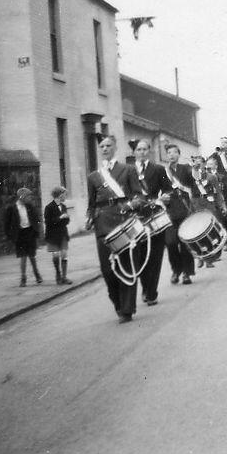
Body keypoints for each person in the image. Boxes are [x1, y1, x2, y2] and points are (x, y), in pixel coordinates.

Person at [85, 135, 144, 323]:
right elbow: (91, 203)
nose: (105, 149)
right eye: (102, 146)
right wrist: (89, 217)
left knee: (126, 265)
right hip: (102, 224)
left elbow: (139, 197)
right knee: (107, 270)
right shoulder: (94, 176)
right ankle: (118, 304)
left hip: (123, 221)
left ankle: (127, 310)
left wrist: (129, 207)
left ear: (115, 148)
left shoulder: (128, 170)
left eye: (108, 145)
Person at [133, 139, 172, 300]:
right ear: (134, 152)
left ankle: (152, 292)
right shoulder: (128, 170)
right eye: (138, 149)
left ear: (148, 151)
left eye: (144, 149)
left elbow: (169, 189)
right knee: (141, 255)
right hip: (137, 218)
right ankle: (145, 287)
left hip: (155, 215)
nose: (142, 152)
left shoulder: (158, 169)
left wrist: (165, 197)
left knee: (155, 254)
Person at [163, 143, 197, 283]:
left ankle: (187, 273)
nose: (171, 154)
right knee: (170, 243)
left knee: (184, 243)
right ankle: (176, 270)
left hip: (184, 210)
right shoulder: (163, 171)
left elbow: (193, 186)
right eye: (169, 152)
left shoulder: (185, 169)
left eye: (174, 152)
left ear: (178, 154)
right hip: (169, 211)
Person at [4, 187, 44, 285]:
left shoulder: (30, 206)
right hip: (20, 234)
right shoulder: (12, 208)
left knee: (32, 256)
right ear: (22, 197)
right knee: (23, 257)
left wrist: (37, 230)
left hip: (30, 232)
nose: (30, 198)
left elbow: (36, 218)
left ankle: (37, 274)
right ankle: (23, 278)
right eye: (28, 196)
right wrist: (10, 236)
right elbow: (7, 224)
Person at [43, 186, 73, 285]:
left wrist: (66, 218)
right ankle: (58, 274)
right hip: (53, 235)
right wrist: (60, 217)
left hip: (63, 233)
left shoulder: (63, 206)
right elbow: (48, 222)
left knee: (64, 254)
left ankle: (64, 277)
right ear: (60, 195)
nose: (65, 196)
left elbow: (67, 221)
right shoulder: (49, 207)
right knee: (56, 255)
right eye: (64, 194)